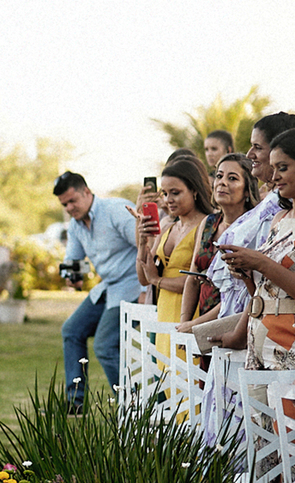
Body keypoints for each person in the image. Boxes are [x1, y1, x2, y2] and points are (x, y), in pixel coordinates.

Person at [53, 171, 143, 414]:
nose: (69, 208)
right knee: (71, 331)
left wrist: (148, 288)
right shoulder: (75, 226)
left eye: (72, 201)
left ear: (86, 191)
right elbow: (73, 260)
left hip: (134, 285)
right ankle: (75, 402)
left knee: (104, 345)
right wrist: (73, 276)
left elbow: (147, 246)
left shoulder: (115, 211)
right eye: (64, 204)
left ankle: (132, 407)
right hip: (108, 287)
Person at [219, 128, 295, 371]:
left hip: (288, 348)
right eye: (273, 168)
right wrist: (247, 273)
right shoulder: (280, 219)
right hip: (260, 342)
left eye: (282, 167)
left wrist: (260, 262)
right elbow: (266, 292)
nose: (274, 176)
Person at [135, 157, 213, 360]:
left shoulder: (207, 226)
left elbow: (197, 280)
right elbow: (144, 278)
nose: (168, 199)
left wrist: (158, 281)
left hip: (190, 315)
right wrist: (142, 242)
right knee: (165, 375)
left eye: (175, 193)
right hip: (164, 315)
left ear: (194, 191)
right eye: (165, 193)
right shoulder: (168, 227)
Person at [176, 154, 259, 334]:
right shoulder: (209, 223)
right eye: (219, 176)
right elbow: (192, 279)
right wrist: (185, 323)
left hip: (233, 324)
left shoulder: (252, 228)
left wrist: (196, 325)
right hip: (200, 321)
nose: (222, 183)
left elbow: (237, 293)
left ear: (247, 190)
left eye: (232, 178)